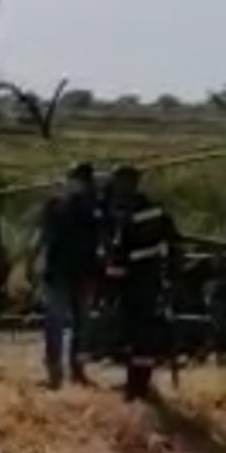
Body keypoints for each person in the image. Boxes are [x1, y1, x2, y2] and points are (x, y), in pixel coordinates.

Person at [102, 165, 181, 402]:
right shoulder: (157, 211)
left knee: (133, 335)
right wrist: (171, 275)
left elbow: (118, 255)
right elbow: (174, 244)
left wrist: (109, 289)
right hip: (153, 280)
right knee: (146, 335)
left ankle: (134, 387)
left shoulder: (126, 215)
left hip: (132, 284)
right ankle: (140, 383)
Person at [31, 162, 101, 389]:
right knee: (61, 323)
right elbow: (43, 235)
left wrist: (32, 260)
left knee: (77, 324)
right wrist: (32, 260)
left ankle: (74, 370)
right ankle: (58, 372)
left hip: (81, 271)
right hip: (63, 271)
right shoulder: (58, 206)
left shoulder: (94, 208)